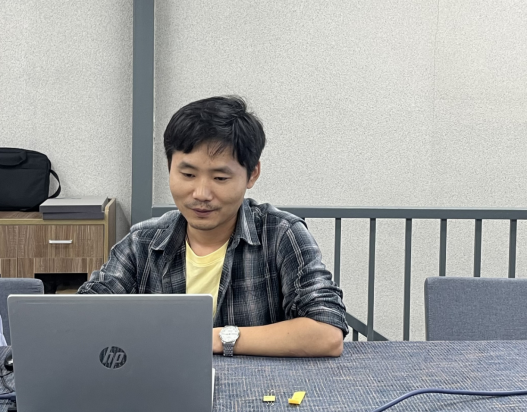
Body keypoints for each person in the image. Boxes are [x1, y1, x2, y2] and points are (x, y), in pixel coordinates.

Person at [78, 96, 348, 357]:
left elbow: (327, 333)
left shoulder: (281, 234)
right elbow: (81, 317)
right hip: (167, 383)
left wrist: (216, 339)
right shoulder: (142, 242)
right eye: (188, 174)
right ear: (170, 167)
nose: (201, 194)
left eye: (220, 178)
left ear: (252, 174)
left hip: (260, 384)